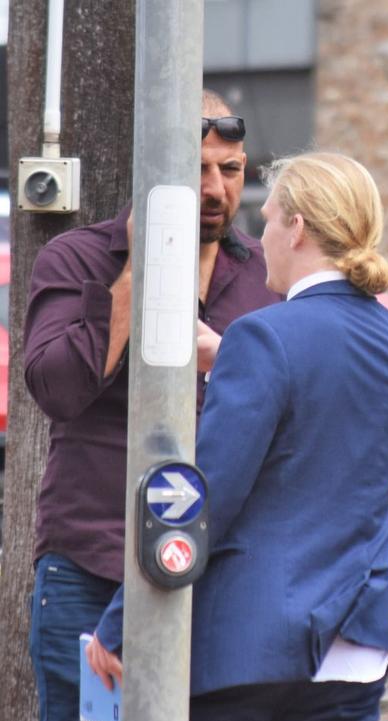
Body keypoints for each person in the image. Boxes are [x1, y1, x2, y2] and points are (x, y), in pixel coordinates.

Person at [88, 152, 388, 721]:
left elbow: (207, 499)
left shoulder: (263, 337)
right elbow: (332, 420)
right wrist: (233, 357)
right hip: (358, 646)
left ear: (297, 228)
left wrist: (122, 621)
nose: (263, 235)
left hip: (253, 643)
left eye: (271, 218)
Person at [23, 89, 279, 721]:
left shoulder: (266, 278)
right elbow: (57, 389)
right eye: (196, 170)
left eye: (231, 169)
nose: (217, 189)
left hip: (217, 576)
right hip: (92, 565)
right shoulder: (79, 258)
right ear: (155, 174)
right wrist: (144, 263)